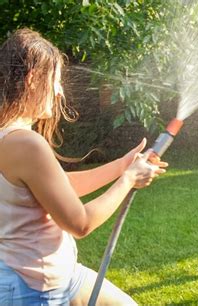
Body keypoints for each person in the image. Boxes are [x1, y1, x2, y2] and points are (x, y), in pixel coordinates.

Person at [0, 28, 167, 305]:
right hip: (35, 291)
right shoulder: (25, 144)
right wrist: (127, 179)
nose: (59, 91)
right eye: (55, 80)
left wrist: (121, 166)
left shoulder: (10, 137)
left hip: (57, 276)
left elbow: (58, 188)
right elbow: (80, 223)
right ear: (32, 79)